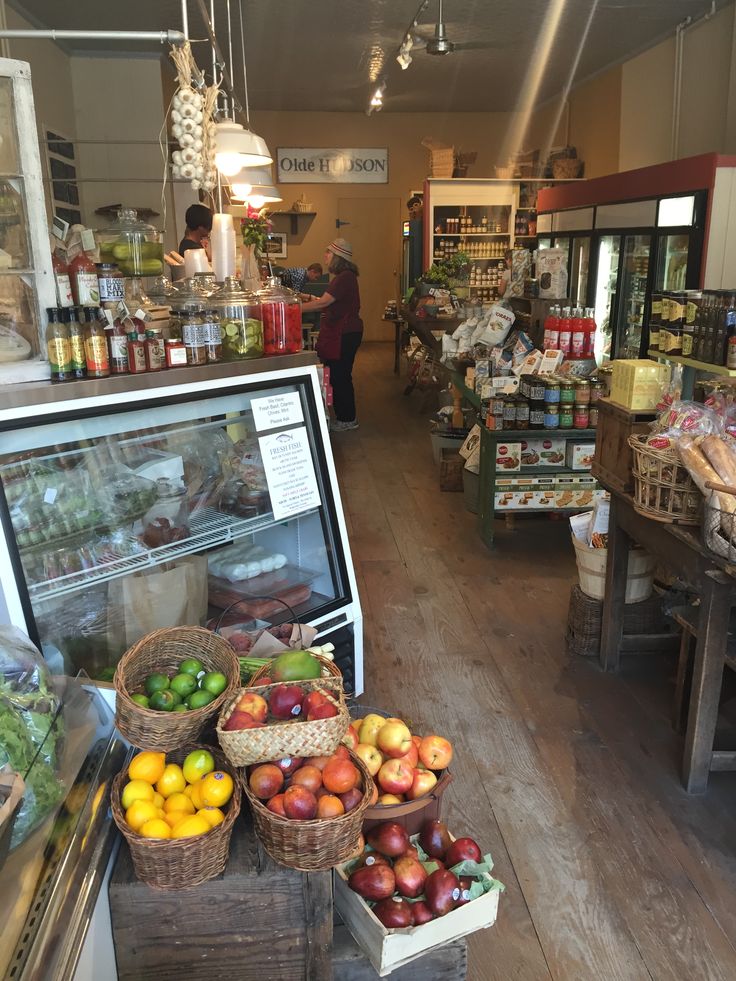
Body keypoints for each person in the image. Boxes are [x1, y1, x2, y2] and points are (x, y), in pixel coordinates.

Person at [301, 239, 363, 432]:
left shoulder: (344, 277)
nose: (325, 256)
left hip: (345, 333)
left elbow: (323, 304)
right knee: (337, 374)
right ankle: (345, 416)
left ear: (338, 257)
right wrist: (308, 298)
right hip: (346, 332)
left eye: (328, 253)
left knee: (340, 376)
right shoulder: (344, 277)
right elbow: (327, 301)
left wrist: (293, 310)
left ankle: (348, 419)